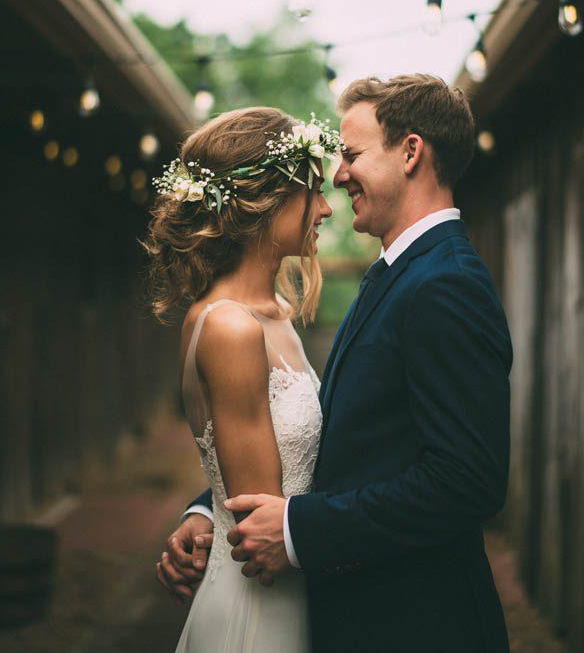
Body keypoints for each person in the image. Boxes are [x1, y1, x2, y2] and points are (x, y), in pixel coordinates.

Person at [161, 75, 513, 653]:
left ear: (410, 152)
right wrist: (211, 509)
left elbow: (466, 480)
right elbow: (335, 435)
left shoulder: (446, 283)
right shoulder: (396, 274)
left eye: (350, 155)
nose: (338, 175)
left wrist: (297, 530)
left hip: (416, 625)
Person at [146, 106, 338, 652]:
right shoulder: (230, 326)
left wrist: (201, 510)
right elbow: (261, 524)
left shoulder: (274, 309)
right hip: (262, 606)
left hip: (297, 592)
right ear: (265, 200)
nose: (324, 209)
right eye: (313, 191)